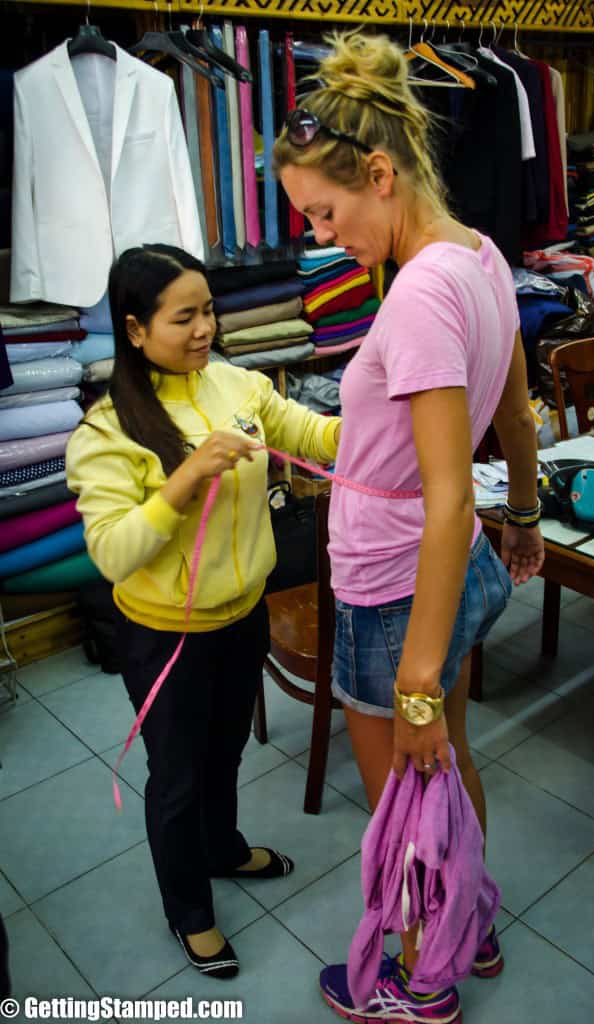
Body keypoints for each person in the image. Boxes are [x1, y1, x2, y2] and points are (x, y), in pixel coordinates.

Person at [274, 31, 544, 1023]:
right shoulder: (478, 255)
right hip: (451, 571)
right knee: (448, 763)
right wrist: (526, 518)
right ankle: (467, 924)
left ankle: (414, 980)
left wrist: (417, 677)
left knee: (405, 802)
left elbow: (444, 496)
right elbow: (515, 415)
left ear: (380, 175)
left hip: (398, 592)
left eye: (328, 213)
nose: (324, 235)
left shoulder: (424, 289)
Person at [66, 244, 341, 979]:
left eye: (208, 311)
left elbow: (307, 433)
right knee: (177, 776)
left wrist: (378, 420)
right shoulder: (105, 432)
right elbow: (114, 552)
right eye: (183, 317)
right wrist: (186, 475)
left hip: (241, 615)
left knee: (226, 751)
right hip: (165, 636)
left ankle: (222, 849)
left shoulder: (237, 384)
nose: (203, 330)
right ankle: (189, 908)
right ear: (134, 329)